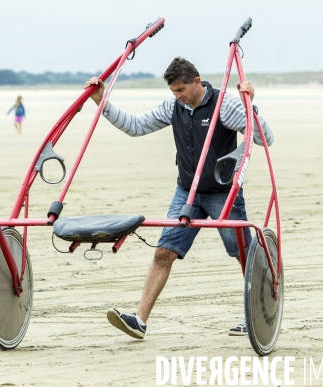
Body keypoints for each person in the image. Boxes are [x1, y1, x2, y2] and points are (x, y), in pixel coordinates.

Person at [84, 57, 274, 339]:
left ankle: (256, 314)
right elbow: (136, 126)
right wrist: (103, 103)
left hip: (224, 192)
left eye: (181, 89)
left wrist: (251, 107)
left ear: (197, 82)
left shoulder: (225, 104)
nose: (178, 96)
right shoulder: (174, 106)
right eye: (173, 91)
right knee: (163, 253)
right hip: (187, 192)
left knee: (244, 255)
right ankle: (139, 320)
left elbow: (264, 139)